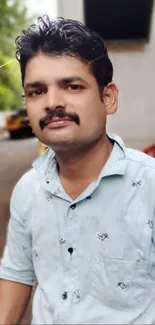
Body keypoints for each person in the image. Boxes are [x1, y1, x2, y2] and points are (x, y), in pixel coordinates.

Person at [0, 15, 155, 325]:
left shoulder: (149, 185)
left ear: (107, 98)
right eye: (37, 91)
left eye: (71, 86)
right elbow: (17, 273)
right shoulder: (28, 190)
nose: (52, 103)